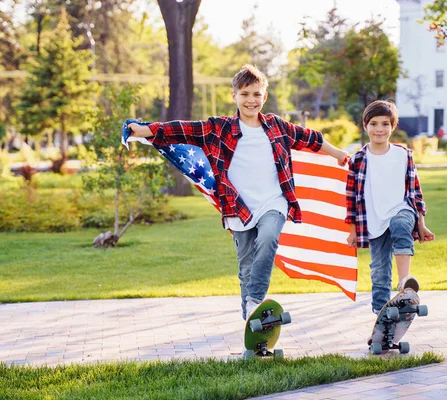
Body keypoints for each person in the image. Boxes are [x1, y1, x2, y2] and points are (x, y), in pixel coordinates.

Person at [127, 64, 349, 321]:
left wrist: (338, 154)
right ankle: (252, 325)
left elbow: (310, 137)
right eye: (245, 94)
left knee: (268, 239)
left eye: (256, 94)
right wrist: (142, 130)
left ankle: (255, 299)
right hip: (238, 206)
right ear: (234, 96)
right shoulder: (218, 128)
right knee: (245, 267)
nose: (251, 100)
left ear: (264, 97)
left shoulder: (277, 127)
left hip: (273, 202)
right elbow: (180, 129)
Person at [345, 100, 435, 316]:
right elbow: (351, 198)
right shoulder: (358, 160)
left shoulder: (403, 155)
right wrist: (353, 230)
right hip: (373, 220)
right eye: (374, 123)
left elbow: (415, 192)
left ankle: (405, 282)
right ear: (365, 125)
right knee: (379, 271)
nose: (379, 129)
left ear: (393, 127)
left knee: (401, 225)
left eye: (385, 124)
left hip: (401, 210)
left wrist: (421, 224)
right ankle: (381, 314)